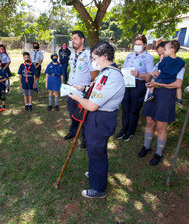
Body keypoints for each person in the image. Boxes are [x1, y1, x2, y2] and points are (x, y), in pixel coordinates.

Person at [69, 41, 125, 198]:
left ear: (104, 56)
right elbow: (97, 92)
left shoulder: (111, 76)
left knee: (98, 153)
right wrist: (84, 89)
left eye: (94, 58)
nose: (92, 61)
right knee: (94, 151)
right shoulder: (105, 72)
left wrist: (76, 98)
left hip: (101, 119)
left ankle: (99, 188)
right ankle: (95, 173)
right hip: (97, 118)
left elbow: (92, 105)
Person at [138, 42, 186, 166]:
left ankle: (159, 153)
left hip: (166, 96)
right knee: (149, 122)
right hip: (155, 94)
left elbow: (178, 84)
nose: (163, 52)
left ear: (173, 49)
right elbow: (153, 76)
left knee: (161, 127)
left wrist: (159, 84)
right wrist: (151, 78)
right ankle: (146, 146)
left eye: (165, 49)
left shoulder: (180, 65)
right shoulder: (161, 62)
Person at [116, 34, 154, 141]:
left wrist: (138, 74)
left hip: (139, 85)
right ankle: (124, 129)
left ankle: (130, 131)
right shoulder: (129, 56)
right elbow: (124, 68)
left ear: (145, 45)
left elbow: (149, 78)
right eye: (136, 44)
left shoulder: (148, 58)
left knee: (134, 109)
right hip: (127, 84)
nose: (137, 46)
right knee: (125, 107)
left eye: (139, 44)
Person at [64, 30, 98, 149]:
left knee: (83, 115)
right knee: (72, 112)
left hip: (83, 91)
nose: (73, 41)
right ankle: (73, 132)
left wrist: (87, 88)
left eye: (75, 38)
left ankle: (84, 138)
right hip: (71, 89)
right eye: (72, 38)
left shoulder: (88, 54)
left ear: (82, 40)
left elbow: (94, 74)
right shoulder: (72, 54)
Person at [146, 40, 185, 106]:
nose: (164, 52)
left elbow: (160, 67)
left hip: (163, 79)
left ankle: (150, 94)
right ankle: (179, 100)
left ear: (172, 50)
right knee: (179, 88)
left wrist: (161, 60)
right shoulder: (180, 61)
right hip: (172, 79)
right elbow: (182, 65)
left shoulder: (166, 59)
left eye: (165, 50)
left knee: (153, 80)